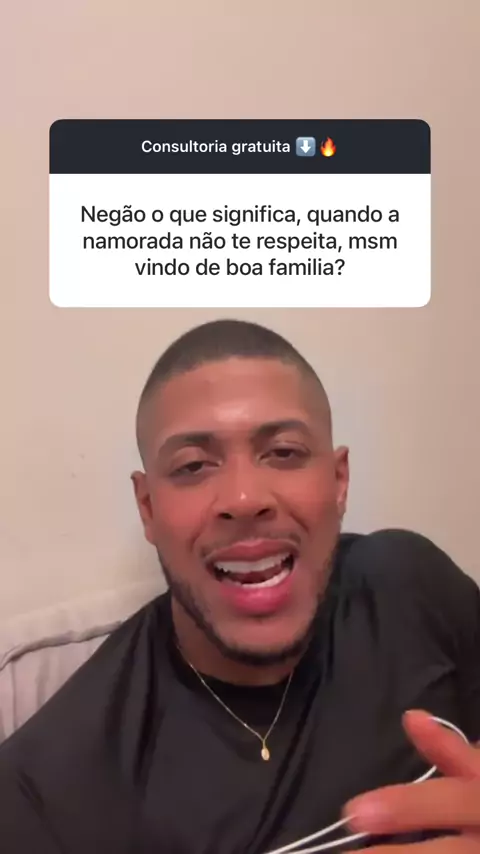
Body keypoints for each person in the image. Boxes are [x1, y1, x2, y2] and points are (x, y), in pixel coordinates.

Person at [1, 318, 480, 854]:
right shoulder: (48, 794)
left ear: (339, 481)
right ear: (148, 508)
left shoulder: (413, 586)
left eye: (284, 452)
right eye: (193, 466)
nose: (245, 498)